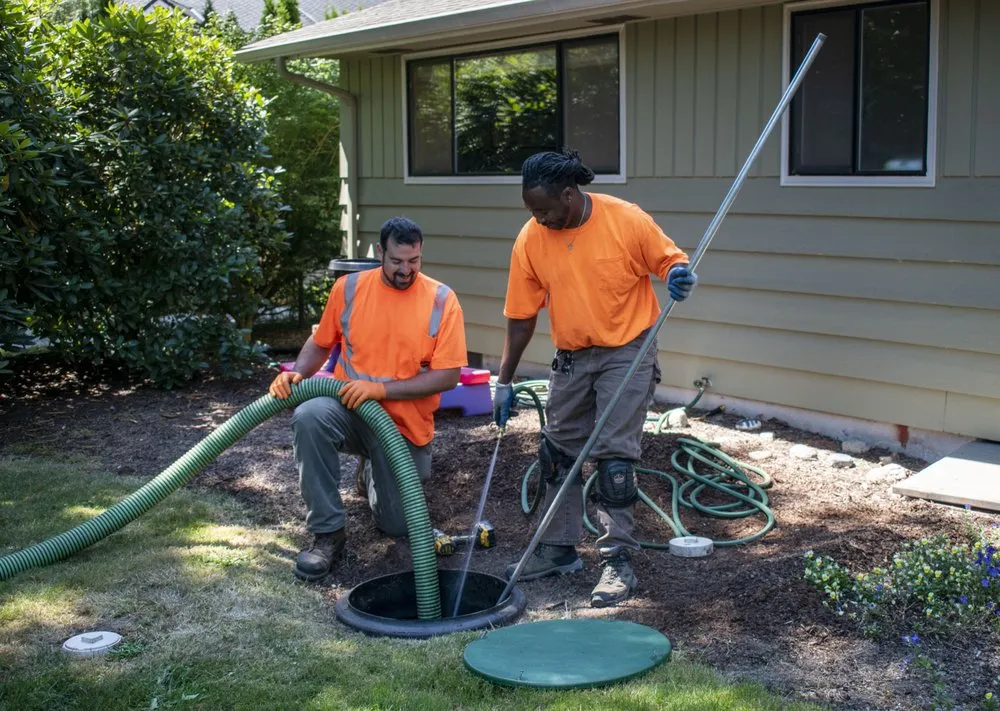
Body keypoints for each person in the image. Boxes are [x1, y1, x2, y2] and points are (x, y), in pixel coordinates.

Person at [493, 149, 698, 607]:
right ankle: (557, 549)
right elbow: (521, 317)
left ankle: (617, 561)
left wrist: (678, 276)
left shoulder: (625, 219)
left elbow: (671, 262)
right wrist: (504, 381)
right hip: (572, 355)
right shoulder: (531, 238)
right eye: (531, 210)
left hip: (627, 349)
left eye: (544, 209)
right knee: (556, 452)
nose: (538, 219)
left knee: (613, 458)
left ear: (569, 194)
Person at [269, 217, 468, 582]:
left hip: (403, 426)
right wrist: (299, 373)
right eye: (397, 261)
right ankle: (328, 533)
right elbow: (321, 341)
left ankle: (371, 472)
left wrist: (382, 390)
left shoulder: (442, 300)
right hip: (349, 409)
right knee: (309, 416)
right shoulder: (349, 289)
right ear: (380, 252)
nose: (406, 270)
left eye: (414, 261)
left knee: (397, 525)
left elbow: (448, 376)